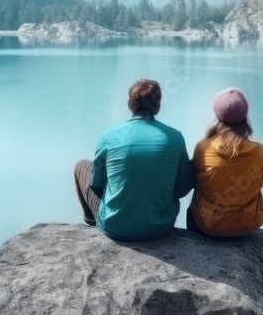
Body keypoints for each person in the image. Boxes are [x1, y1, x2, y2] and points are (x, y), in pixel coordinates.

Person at [74, 78, 194, 241]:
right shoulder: (175, 137)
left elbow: (96, 185)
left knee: (81, 166)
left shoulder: (109, 136)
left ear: (130, 104)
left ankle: (92, 221)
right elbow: (182, 188)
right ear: (157, 105)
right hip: (160, 226)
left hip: (115, 226)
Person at [187, 87, 263, 238]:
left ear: (216, 116)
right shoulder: (259, 151)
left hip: (207, 225)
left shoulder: (202, 148)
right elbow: (260, 182)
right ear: (245, 116)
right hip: (248, 225)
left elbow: (195, 181)